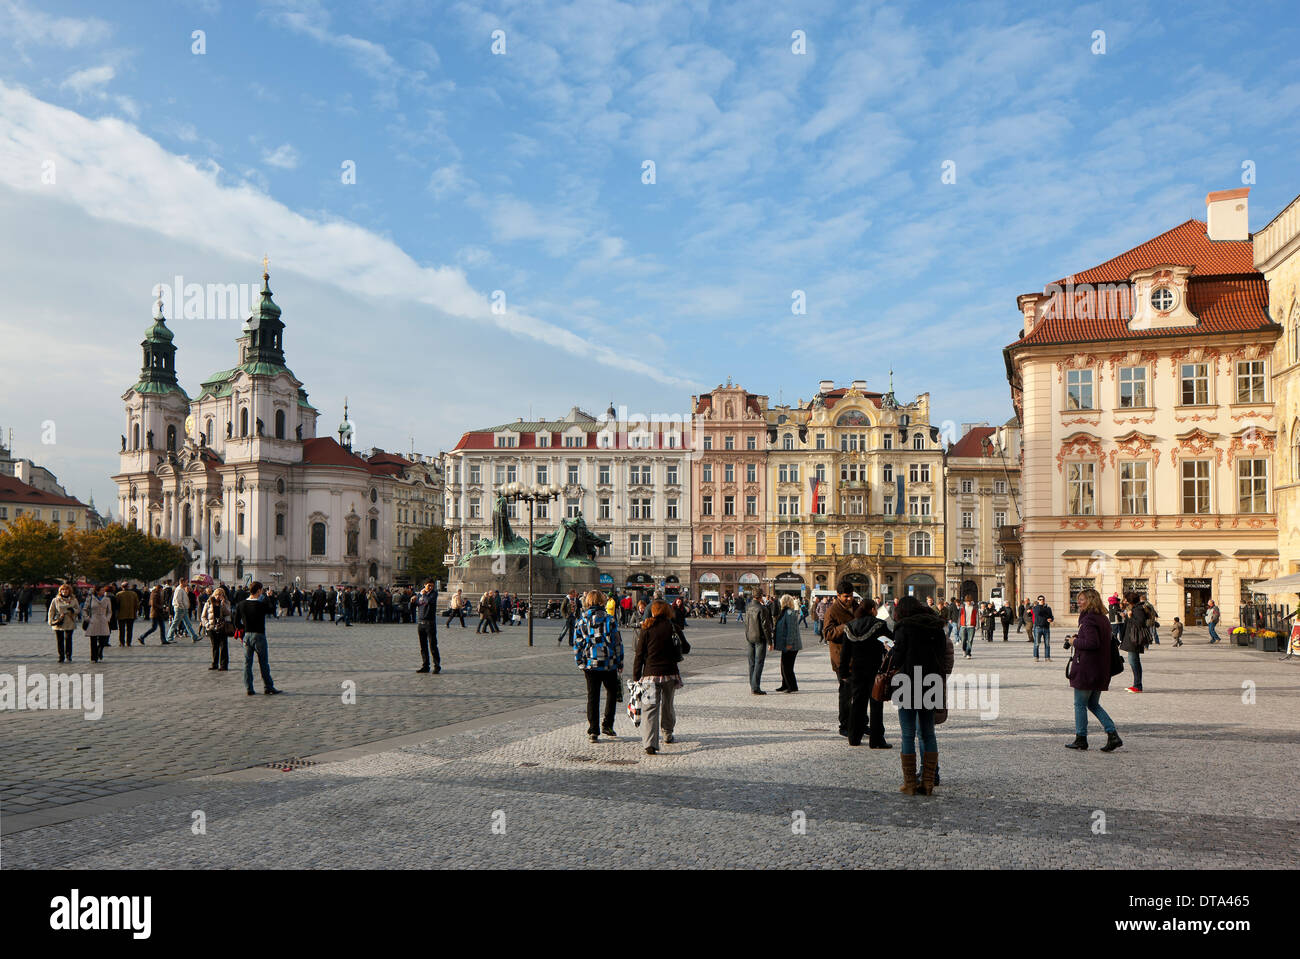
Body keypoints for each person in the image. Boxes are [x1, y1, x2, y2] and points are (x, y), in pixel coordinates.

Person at [890, 595, 947, 795]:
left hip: (907, 681)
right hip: (930, 682)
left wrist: (890, 651)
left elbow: (897, 659)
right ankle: (928, 782)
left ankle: (910, 784)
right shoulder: (936, 627)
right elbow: (942, 655)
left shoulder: (903, 628)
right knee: (928, 732)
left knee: (907, 734)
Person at [1063, 588, 1123, 752]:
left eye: (1082, 599)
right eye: (1078, 599)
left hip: (1087, 668)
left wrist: (1074, 641)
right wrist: (1078, 637)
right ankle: (1112, 735)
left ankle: (1081, 738)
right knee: (1093, 703)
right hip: (1100, 668)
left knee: (1080, 704)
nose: (1078, 602)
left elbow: (1092, 643)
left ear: (1090, 600)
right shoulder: (1102, 618)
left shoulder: (1089, 619)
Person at [840, 598, 892, 749]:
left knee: (857, 703)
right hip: (875, 669)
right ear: (871, 609)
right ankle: (876, 740)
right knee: (876, 703)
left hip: (856, 670)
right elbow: (892, 640)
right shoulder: (879, 624)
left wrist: (844, 671)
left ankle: (853, 737)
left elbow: (845, 653)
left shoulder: (850, 626)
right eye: (875, 608)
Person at [633, 599, 681, 754]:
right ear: (667, 612)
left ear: (653, 611)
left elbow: (639, 654)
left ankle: (650, 743)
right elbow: (686, 647)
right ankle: (667, 734)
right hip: (669, 673)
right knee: (667, 704)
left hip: (650, 675)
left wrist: (636, 676)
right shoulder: (672, 627)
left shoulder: (646, 628)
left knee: (650, 708)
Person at [574, 590, 623, 742]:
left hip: (590, 663)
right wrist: (619, 661)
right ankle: (607, 725)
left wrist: (579, 661)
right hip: (608, 663)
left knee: (592, 696)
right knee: (612, 693)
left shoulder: (582, 621)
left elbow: (577, 644)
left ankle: (593, 730)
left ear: (587, 602)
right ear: (602, 601)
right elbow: (617, 643)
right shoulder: (610, 619)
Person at [822, 580, 865, 732]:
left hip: (859, 657)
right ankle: (845, 724)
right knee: (846, 693)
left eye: (851, 596)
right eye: (846, 596)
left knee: (860, 693)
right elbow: (827, 633)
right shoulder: (832, 611)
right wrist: (846, 627)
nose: (849, 599)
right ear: (838, 595)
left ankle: (861, 723)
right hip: (842, 659)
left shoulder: (857, 607)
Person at [236, 581, 280, 695]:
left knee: (247, 663)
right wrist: (269, 597)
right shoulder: (261, 605)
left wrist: (244, 627)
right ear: (259, 590)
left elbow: (236, 622)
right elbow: (272, 610)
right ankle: (268, 686)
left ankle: (249, 688)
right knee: (263, 662)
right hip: (259, 635)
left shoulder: (241, 605)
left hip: (247, 635)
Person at [744, 591, 775, 694]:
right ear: (761, 597)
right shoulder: (762, 609)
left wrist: (747, 635)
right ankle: (756, 687)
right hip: (759, 638)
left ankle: (752, 685)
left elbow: (746, 623)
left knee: (751, 662)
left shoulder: (748, 607)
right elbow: (766, 627)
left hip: (749, 637)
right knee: (759, 662)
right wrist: (770, 642)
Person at [772, 594, 803, 693]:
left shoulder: (789, 612)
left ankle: (792, 686)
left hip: (791, 645)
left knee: (787, 667)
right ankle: (785, 684)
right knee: (783, 666)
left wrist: (789, 643)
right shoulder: (784, 612)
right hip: (785, 644)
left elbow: (791, 630)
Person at [1120, 591, 1147, 693]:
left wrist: (1130, 617)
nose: (1124, 600)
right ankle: (1137, 685)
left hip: (1134, 640)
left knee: (1134, 662)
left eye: (1125, 598)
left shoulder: (1138, 609)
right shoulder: (1134, 608)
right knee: (1134, 662)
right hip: (1131, 639)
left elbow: (1140, 623)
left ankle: (1137, 686)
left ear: (1129, 600)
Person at [201, 586, 234, 670]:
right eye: (217, 594)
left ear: (223, 595)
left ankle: (223, 665)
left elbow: (228, 613)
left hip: (222, 627)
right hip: (211, 627)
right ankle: (214, 664)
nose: (218, 596)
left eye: (220, 594)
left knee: (223, 646)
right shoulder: (208, 603)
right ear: (213, 595)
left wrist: (223, 604)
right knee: (214, 646)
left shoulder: (226, 603)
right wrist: (207, 624)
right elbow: (203, 616)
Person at [414, 579, 441, 674]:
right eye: (428, 585)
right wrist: (412, 601)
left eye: (432, 585)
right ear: (424, 585)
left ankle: (437, 666)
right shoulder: (420, 594)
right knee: (423, 646)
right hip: (421, 623)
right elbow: (416, 605)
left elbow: (429, 601)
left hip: (430, 623)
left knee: (433, 645)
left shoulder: (433, 594)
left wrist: (423, 595)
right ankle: (425, 665)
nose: (430, 587)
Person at [48, 583, 79, 663]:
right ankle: (61, 656)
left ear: (69, 591)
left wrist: (73, 610)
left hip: (69, 621)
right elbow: (51, 611)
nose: (64, 591)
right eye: (63, 590)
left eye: (66, 589)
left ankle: (69, 655)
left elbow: (78, 610)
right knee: (59, 640)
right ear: (60, 591)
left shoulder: (73, 600)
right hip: (59, 621)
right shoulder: (56, 600)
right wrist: (51, 621)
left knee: (68, 639)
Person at [82, 584, 113, 663]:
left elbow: (109, 611)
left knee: (103, 639)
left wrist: (107, 619)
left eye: (104, 590)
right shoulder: (91, 599)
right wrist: (87, 618)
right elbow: (85, 609)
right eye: (102, 590)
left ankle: (100, 650)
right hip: (93, 620)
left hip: (103, 620)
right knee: (93, 640)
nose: (103, 592)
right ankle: (93, 657)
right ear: (97, 591)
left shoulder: (107, 599)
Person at [1030, 594, 1054, 661]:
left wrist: (1051, 619)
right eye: (1040, 599)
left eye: (1043, 599)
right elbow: (1038, 613)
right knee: (1036, 643)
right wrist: (1040, 606)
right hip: (1038, 628)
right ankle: (1036, 657)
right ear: (1038, 601)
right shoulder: (1035, 608)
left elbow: (1051, 616)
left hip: (1046, 628)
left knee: (1047, 644)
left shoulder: (1048, 608)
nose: (1042, 601)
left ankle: (1047, 657)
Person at [957, 595, 978, 659]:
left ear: (971, 601)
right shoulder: (962, 607)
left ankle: (968, 653)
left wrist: (977, 626)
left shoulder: (974, 608)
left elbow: (977, 617)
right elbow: (959, 617)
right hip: (963, 626)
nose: (968, 602)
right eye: (967, 601)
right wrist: (959, 625)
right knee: (963, 640)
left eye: (969, 601)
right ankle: (964, 650)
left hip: (971, 626)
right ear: (965, 601)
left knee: (970, 640)